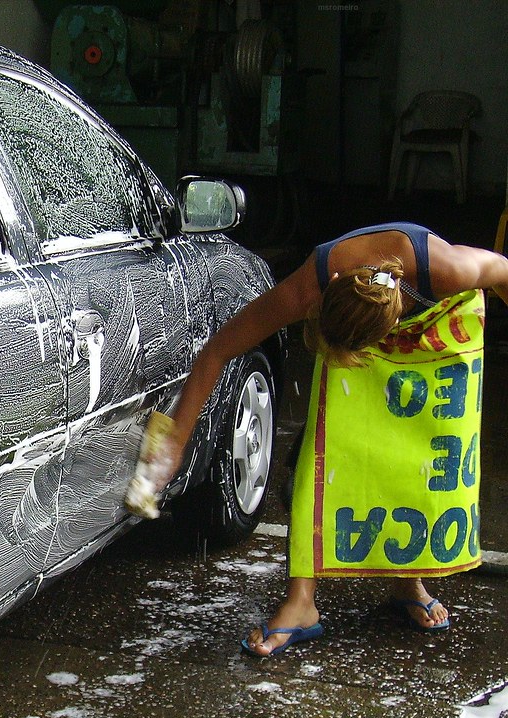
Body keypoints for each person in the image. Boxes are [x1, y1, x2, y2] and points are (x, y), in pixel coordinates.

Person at [144, 221, 508, 657]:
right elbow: (217, 351)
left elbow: (503, 268)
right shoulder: (309, 284)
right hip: (373, 309)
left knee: (420, 449)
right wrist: (173, 443)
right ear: (328, 289)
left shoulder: (449, 270)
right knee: (324, 450)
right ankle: (301, 603)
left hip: (433, 318)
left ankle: (407, 578)